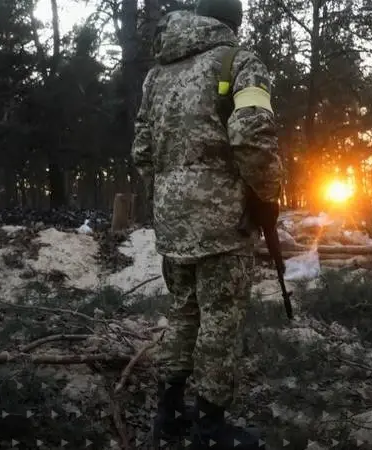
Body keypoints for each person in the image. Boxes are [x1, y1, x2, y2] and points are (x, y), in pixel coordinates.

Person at [131, 0, 283, 448]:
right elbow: (252, 135)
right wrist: (268, 195)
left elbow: (142, 150)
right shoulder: (240, 63)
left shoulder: (157, 76)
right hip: (223, 223)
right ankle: (210, 427)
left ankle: (168, 412)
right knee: (220, 320)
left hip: (172, 222)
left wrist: (168, 196)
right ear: (234, 22)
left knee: (183, 312)